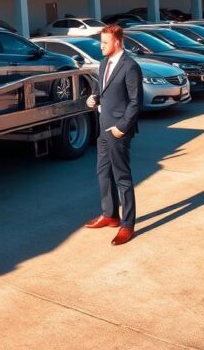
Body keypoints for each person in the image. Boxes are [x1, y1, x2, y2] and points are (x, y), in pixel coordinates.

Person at [84, 24, 141, 246]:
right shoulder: (103, 63)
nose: (101, 46)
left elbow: (136, 102)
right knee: (103, 174)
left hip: (118, 130)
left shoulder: (130, 66)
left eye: (104, 42)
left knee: (122, 178)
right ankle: (110, 215)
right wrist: (94, 99)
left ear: (117, 42)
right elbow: (103, 91)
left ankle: (128, 225)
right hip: (102, 128)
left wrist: (122, 127)